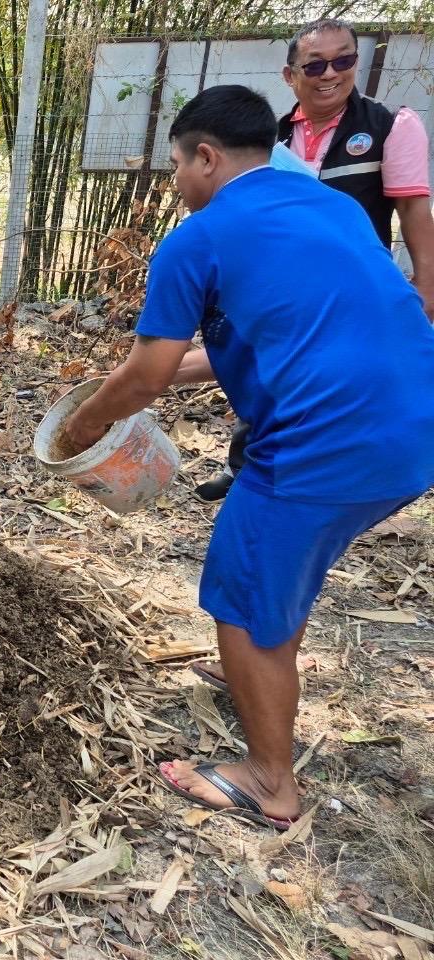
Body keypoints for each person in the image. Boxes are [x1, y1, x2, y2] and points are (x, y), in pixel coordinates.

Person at [63, 85, 434, 829]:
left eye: (174, 165)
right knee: (277, 569)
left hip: (323, 442)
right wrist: (146, 378)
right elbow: (297, 327)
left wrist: (81, 424)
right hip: (415, 427)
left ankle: (269, 783)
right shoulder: (331, 207)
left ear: (206, 157)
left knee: (237, 587)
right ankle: (265, 661)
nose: (173, 183)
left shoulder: (195, 239)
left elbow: (147, 376)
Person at [196, 17, 434, 502]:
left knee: (339, 377)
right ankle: (249, 466)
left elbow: (413, 208)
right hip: (281, 283)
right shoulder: (272, 138)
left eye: (343, 60)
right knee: (267, 369)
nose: (331, 74)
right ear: (290, 75)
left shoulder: (390, 126)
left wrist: (426, 284)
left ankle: (339, 480)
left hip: (354, 286)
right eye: (316, 64)